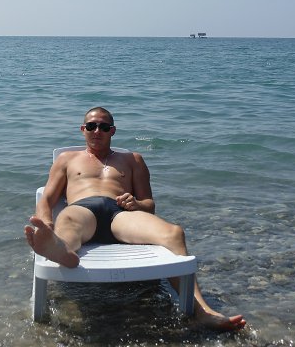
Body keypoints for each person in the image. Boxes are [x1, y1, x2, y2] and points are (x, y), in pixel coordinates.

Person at [24, 107, 246, 331]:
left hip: (120, 214)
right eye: (91, 126)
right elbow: (47, 199)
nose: (97, 131)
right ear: (83, 129)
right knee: (69, 220)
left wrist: (137, 204)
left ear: (113, 131)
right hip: (83, 209)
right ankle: (61, 250)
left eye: (104, 127)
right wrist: (47, 225)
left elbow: (149, 204)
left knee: (174, 233)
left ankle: (202, 311)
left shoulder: (133, 160)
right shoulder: (67, 159)